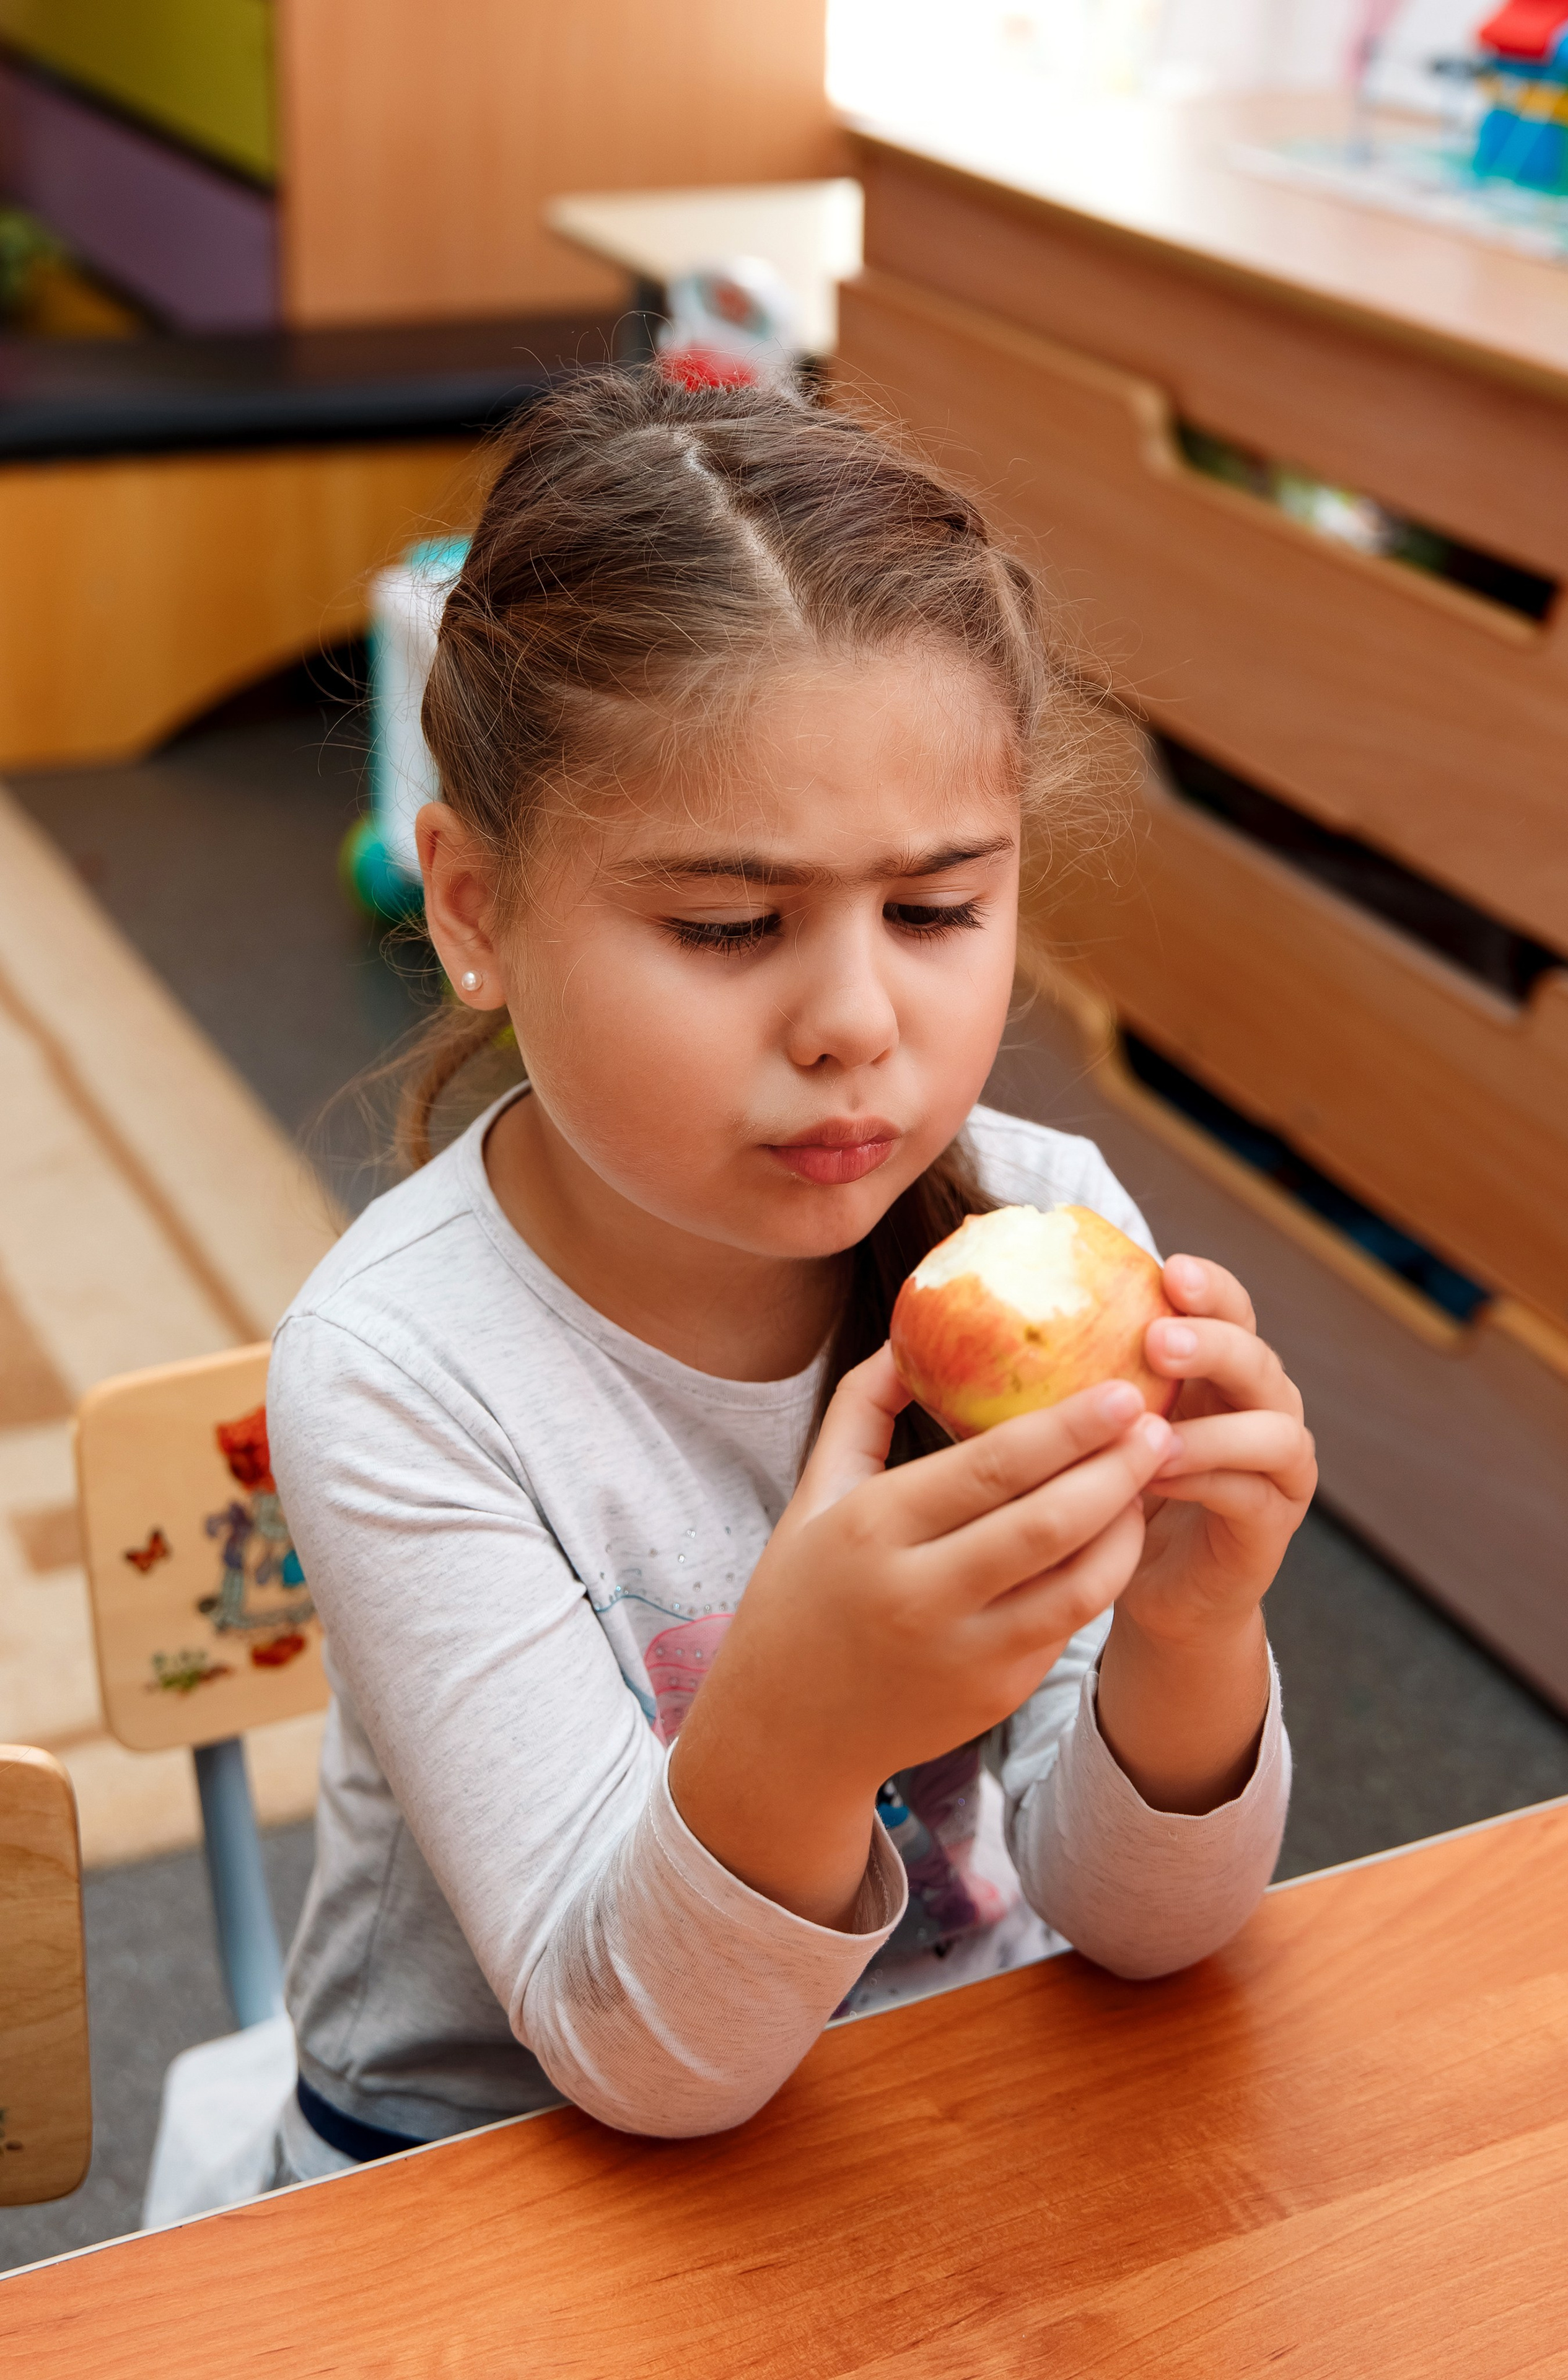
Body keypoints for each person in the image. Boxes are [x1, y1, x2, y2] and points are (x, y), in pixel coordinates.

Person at [264, 366, 1315, 2185]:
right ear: (474, 910)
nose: (853, 1024)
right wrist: (805, 1717)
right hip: (486, 2192)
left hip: (920, 2125)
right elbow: (635, 2061)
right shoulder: (401, 1367)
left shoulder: (1054, 1218)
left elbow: (1148, 1927)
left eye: (934, 910)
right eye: (731, 925)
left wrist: (1193, 1625)